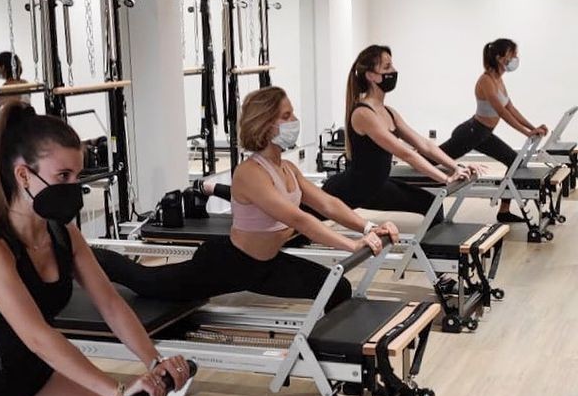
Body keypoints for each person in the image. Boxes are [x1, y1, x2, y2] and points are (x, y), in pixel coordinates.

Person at [0, 101, 190, 396]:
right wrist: (118, 390)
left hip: (31, 381)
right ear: (23, 175)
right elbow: (37, 336)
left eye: (78, 176)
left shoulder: (62, 233)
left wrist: (154, 362)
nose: (75, 187)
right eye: (63, 176)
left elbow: (112, 305)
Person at [93, 86, 399, 311]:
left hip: (266, 265)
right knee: (145, 281)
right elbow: (296, 218)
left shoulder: (288, 168)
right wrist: (351, 245)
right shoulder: (251, 173)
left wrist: (368, 228)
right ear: (267, 125)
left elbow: (327, 204)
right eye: (286, 115)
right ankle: (85, 255)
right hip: (228, 263)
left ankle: (332, 363)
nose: (295, 120)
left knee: (337, 288)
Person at [319, 45, 473, 227]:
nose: (394, 71)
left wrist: (456, 167)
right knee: (297, 229)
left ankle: (426, 255)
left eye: (392, 66)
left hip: (376, 188)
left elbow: (425, 145)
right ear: (371, 76)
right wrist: (445, 178)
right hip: (350, 189)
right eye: (387, 67)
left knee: (431, 204)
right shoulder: (363, 113)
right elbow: (406, 154)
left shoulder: (389, 112)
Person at [438, 38, 548, 222]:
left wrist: (532, 127)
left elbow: (511, 107)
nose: (515, 58)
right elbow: (502, 112)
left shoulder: (498, 80)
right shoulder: (486, 80)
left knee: (514, 162)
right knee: (432, 158)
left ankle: (504, 211)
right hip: (470, 133)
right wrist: (526, 133)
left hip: (483, 134)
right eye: (512, 55)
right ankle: (398, 175)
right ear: (499, 58)